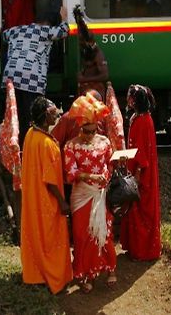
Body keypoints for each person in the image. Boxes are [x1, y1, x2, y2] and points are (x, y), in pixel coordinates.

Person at [64, 94, 117, 293]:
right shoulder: (70, 146)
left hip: (100, 194)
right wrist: (92, 177)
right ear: (80, 128)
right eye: (87, 131)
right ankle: (86, 274)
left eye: (93, 131)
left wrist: (105, 176)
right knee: (81, 235)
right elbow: (70, 173)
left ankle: (110, 269)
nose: (90, 135)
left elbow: (110, 166)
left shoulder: (104, 142)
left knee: (104, 232)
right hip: (81, 195)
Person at [20, 96, 72, 294]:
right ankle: (55, 278)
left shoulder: (30, 135)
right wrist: (62, 202)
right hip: (47, 200)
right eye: (53, 112)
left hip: (33, 198)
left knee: (37, 237)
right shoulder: (48, 144)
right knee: (51, 240)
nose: (57, 114)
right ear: (44, 116)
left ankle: (37, 275)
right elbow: (50, 180)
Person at [2, 6, 69, 147]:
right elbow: (64, 31)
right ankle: (28, 148)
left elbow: (4, 35)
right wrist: (63, 18)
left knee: (16, 116)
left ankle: (16, 147)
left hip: (10, 77)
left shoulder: (16, 30)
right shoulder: (45, 31)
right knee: (30, 117)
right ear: (49, 24)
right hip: (30, 79)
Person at [120, 84, 162, 261]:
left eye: (130, 97)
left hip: (141, 172)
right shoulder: (141, 117)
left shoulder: (143, 121)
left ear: (134, 100)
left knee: (140, 209)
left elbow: (142, 151)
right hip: (136, 168)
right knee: (135, 208)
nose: (127, 99)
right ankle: (135, 247)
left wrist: (137, 174)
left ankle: (142, 251)